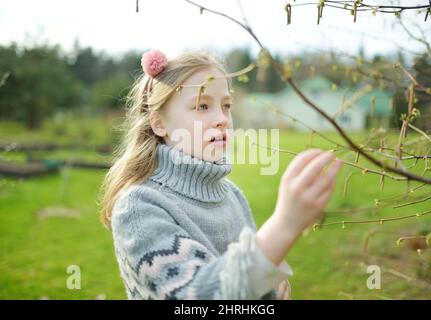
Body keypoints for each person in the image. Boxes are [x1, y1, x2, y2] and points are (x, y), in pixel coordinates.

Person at [99, 49, 343, 300]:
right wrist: (285, 225)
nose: (222, 119)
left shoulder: (233, 196)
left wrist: (270, 288)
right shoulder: (139, 207)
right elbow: (196, 297)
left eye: (226, 106)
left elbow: (248, 288)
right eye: (202, 105)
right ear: (159, 122)